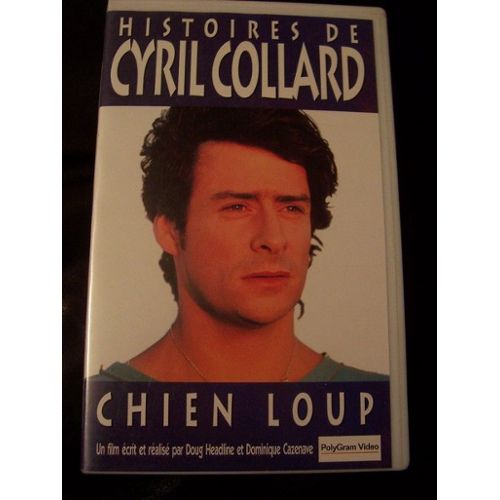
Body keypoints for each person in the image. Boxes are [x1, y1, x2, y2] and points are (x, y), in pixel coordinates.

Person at [97, 107, 387, 382]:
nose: (273, 239)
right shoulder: (108, 402)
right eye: (237, 207)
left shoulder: (377, 400)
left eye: (291, 208)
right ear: (170, 231)